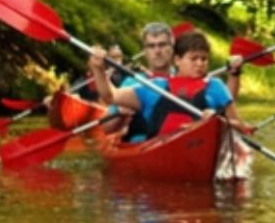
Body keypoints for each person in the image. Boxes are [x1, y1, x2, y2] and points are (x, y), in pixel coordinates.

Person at [91, 30, 250, 141]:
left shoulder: (216, 86)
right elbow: (110, 96)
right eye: (194, 59)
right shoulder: (155, 87)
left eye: (204, 59)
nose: (200, 64)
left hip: (201, 146)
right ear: (177, 60)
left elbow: (239, 126)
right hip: (160, 149)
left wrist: (217, 122)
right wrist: (98, 69)